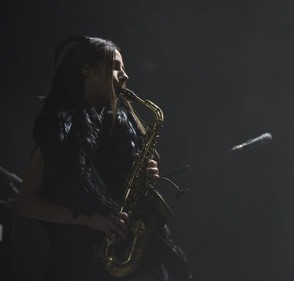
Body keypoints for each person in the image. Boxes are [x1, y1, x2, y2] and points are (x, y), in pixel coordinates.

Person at [17, 35, 191, 281]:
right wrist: (90, 219)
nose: (125, 75)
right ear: (86, 69)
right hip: (78, 264)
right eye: (116, 66)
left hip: (129, 256)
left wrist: (146, 174)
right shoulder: (59, 129)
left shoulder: (124, 124)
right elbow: (26, 204)